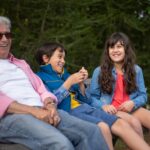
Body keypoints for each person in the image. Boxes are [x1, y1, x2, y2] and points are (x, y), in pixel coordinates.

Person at [0, 16, 110, 150]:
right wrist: (34, 111)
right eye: (0, 35)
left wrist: (50, 104)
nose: (4, 39)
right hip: (11, 116)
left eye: (7, 34)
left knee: (93, 132)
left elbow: (41, 88)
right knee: (61, 145)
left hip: (44, 109)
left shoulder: (21, 64)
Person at [35, 41, 150, 150]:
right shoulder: (39, 78)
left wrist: (80, 85)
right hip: (69, 113)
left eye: (64, 58)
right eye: (60, 57)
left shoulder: (65, 75)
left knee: (121, 123)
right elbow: (50, 102)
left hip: (86, 108)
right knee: (103, 128)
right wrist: (68, 83)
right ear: (45, 58)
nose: (63, 61)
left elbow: (87, 100)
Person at [89, 32, 150, 137]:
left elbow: (143, 95)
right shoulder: (99, 71)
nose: (115, 50)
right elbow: (91, 98)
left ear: (126, 49)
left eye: (119, 47)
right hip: (113, 111)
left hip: (131, 108)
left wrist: (133, 103)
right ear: (108, 51)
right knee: (134, 123)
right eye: (112, 47)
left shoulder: (136, 70)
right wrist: (103, 106)